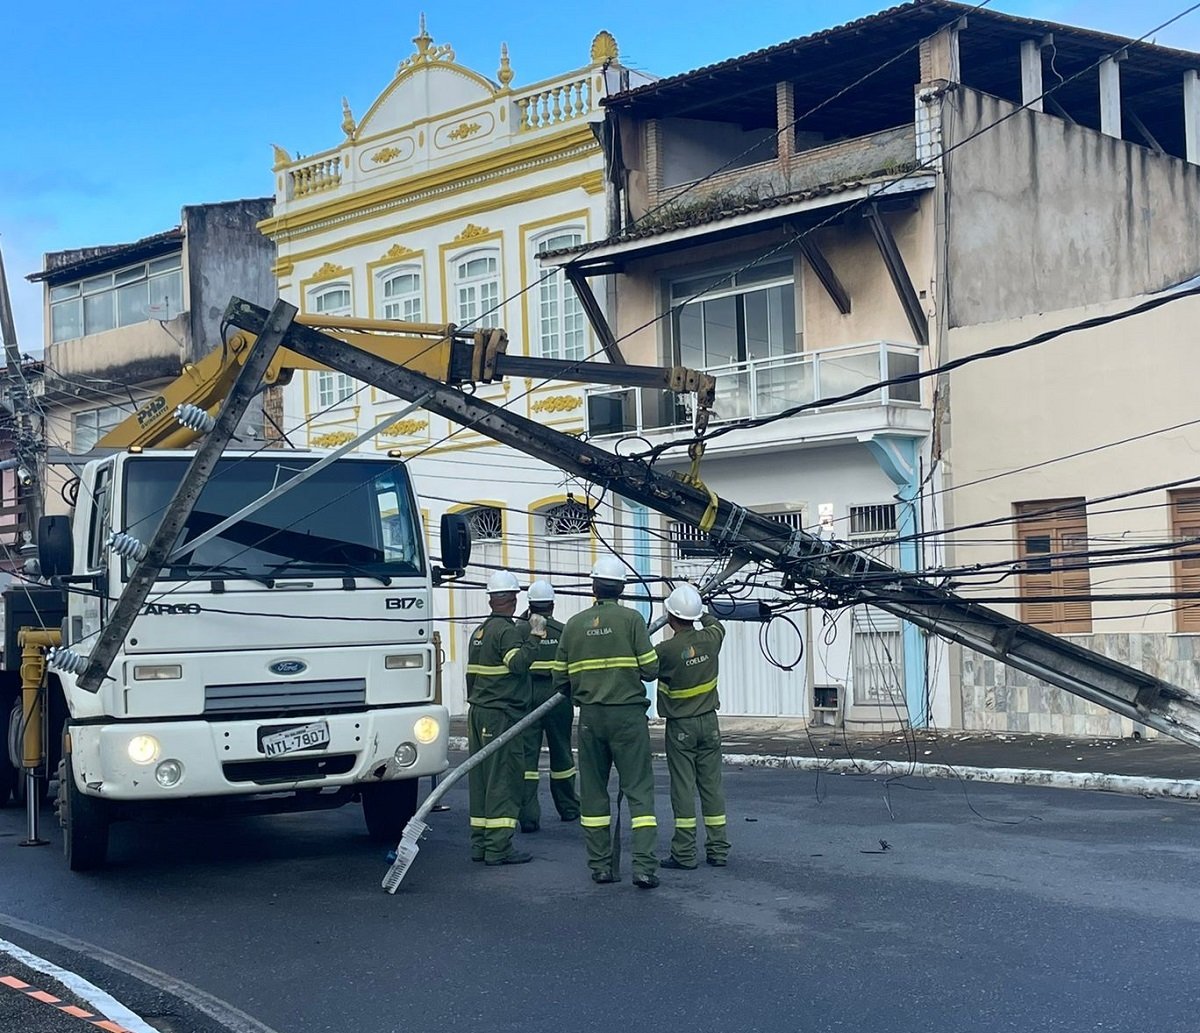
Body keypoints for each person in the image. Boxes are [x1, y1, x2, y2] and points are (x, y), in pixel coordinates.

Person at [554, 555, 661, 889]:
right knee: (639, 793)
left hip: (590, 719)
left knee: (594, 793)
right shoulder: (632, 620)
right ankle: (643, 868)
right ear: (622, 588)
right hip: (628, 716)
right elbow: (651, 669)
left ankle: (601, 866)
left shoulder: (573, 625)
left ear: (593, 586)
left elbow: (559, 678)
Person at [466, 570, 545, 866]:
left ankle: (480, 844)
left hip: (479, 712)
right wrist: (535, 637)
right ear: (512, 600)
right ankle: (498, 848)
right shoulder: (507, 632)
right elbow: (518, 664)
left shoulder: (480, 632)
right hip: (501, 714)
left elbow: (472, 676)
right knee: (503, 779)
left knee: (481, 779)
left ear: (491, 599)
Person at [654, 584, 730, 869]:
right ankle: (719, 850)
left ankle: (685, 853)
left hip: (681, 727)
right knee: (712, 787)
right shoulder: (711, 638)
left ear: (670, 617)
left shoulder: (665, 651)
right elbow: (715, 623)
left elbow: (645, 669)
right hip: (710, 723)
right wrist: (702, 606)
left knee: (683, 789)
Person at [518, 580, 580, 832]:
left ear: (530, 605)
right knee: (562, 754)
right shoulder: (564, 631)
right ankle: (568, 808)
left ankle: (529, 816)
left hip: (527, 698)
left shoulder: (520, 631)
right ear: (553, 605)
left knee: (528, 759)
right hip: (558, 699)